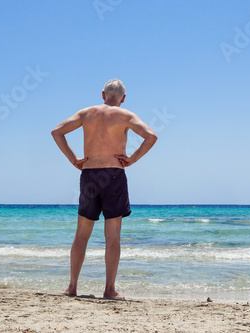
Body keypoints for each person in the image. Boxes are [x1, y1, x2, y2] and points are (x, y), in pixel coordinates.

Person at [51, 79, 157, 299]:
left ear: (103, 94)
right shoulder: (126, 115)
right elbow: (151, 136)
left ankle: (72, 287)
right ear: (123, 98)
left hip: (89, 174)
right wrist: (132, 159)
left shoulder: (86, 113)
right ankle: (109, 289)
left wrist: (74, 160)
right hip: (114, 175)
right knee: (113, 236)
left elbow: (57, 132)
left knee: (81, 235)